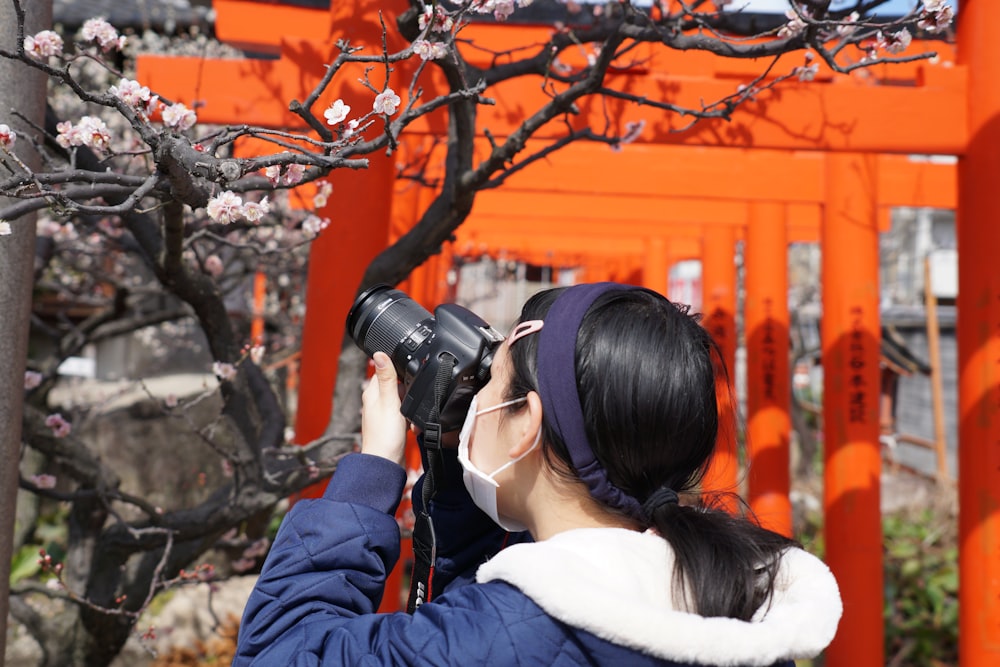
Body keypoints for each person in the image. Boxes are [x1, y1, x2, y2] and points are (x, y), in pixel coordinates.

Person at [234, 282, 842, 666]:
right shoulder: (727, 606)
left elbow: (279, 652)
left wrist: (369, 475)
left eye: (491, 382)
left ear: (526, 421)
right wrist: (450, 463)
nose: (476, 404)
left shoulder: (506, 634)